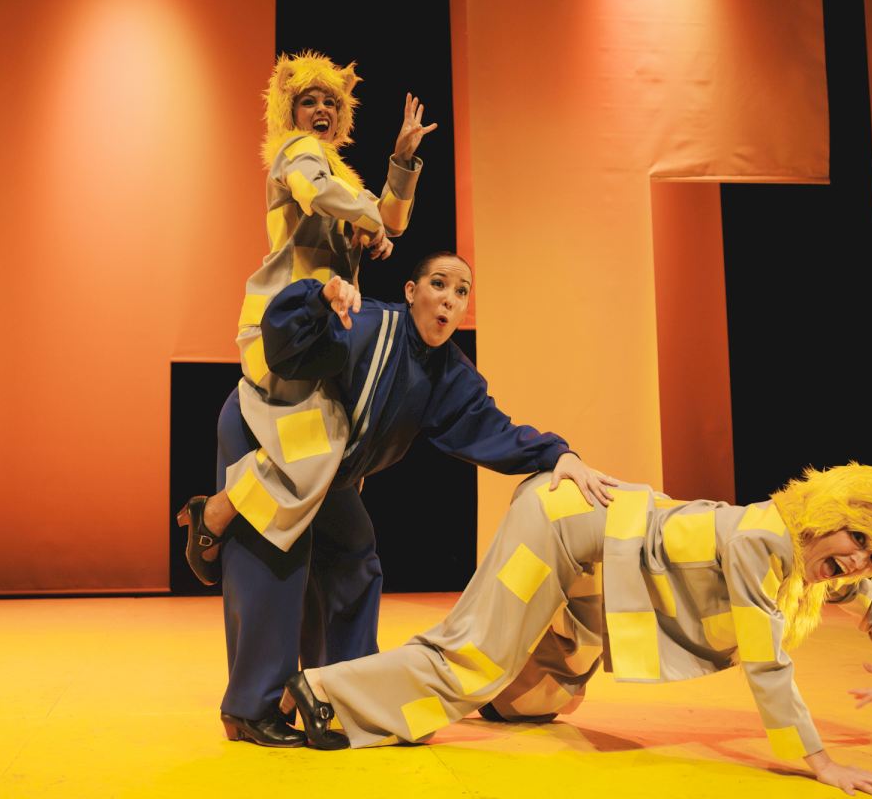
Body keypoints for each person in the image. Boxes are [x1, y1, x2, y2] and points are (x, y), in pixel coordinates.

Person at [287, 463, 872, 797]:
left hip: (599, 570)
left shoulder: (813, 561)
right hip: (557, 529)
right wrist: (822, 763)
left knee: (547, 697)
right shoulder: (762, 543)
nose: (859, 561)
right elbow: (765, 660)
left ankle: (503, 690)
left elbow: (864, 598)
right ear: (828, 514)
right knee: (475, 658)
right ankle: (320, 696)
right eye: (858, 538)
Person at [189, 251, 614, 747]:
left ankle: (342, 696)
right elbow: (283, 346)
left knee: (354, 557)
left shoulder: (449, 374)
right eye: (439, 284)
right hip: (268, 436)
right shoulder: (369, 325)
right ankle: (251, 709)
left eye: (461, 292)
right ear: (411, 293)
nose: (450, 300)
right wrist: (317, 298)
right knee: (277, 558)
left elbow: (492, 430)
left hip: (326, 472)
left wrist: (559, 454)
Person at [177, 50, 436, 586]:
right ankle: (215, 513)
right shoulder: (297, 152)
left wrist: (401, 160)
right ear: (290, 113)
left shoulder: (339, 172)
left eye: (330, 103)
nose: (321, 110)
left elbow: (392, 217)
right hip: (284, 325)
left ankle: (279, 552)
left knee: (338, 448)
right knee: (316, 447)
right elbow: (315, 193)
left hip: (325, 330)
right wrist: (369, 221)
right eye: (308, 101)